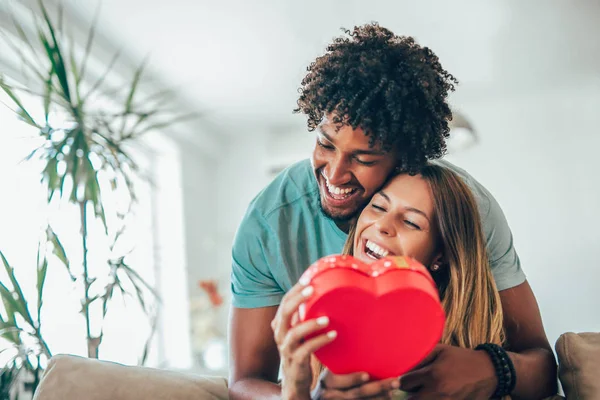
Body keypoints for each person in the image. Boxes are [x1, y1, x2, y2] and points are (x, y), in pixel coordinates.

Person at [228, 23, 557, 399]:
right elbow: (243, 382)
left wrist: (493, 368)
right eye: (325, 143)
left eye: (364, 158)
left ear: (403, 160)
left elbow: (542, 364)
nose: (333, 173)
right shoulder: (269, 223)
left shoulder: (468, 210)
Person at [272, 164, 549, 399]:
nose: (383, 225)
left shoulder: (458, 356)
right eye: (378, 206)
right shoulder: (321, 332)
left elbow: (547, 371)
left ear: (439, 256)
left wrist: (495, 368)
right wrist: (295, 392)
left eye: (412, 223)